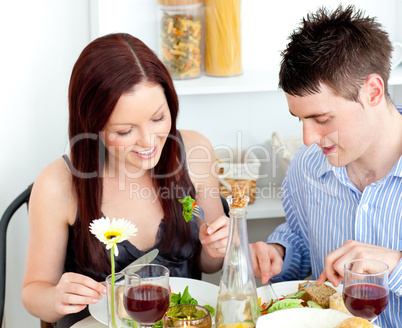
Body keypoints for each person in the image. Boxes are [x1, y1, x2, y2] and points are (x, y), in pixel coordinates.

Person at [21, 33, 229, 327]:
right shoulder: (58, 183)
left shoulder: (195, 153)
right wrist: (55, 297)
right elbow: (34, 292)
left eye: (158, 119)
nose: (148, 142)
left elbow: (211, 264)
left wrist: (215, 248)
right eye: (124, 131)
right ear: (92, 126)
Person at [249, 5, 402, 328]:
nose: (307, 138)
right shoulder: (307, 167)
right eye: (301, 119)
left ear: (372, 91)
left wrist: (396, 264)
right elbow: (303, 240)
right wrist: (280, 251)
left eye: (322, 119)